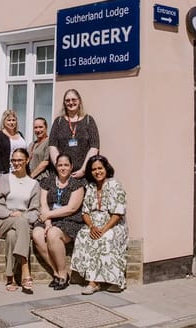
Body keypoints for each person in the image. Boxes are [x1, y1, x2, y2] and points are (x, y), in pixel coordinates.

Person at [70, 155, 128, 294]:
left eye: (100, 168)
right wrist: (92, 227)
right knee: (84, 235)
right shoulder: (90, 187)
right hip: (94, 224)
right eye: (94, 169)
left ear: (106, 168)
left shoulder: (115, 185)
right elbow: (85, 212)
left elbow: (118, 213)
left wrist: (103, 229)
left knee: (105, 238)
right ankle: (90, 280)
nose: (97, 172)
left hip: (113, 224)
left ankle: (112, 280)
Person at [31, 153, 85, 290]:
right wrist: (48, 221)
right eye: (60, 165)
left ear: (71, 166)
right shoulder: (47, 181)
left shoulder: (77, 185)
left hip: (69, 220)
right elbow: (43, 203)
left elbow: (71, 208)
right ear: (56, 166)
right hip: (47, 219)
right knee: (37, 234)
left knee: (53, 234)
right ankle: (58, 273)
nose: (63, 168)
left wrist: (48, 215)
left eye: (66, 165)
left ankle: (62, 274)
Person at [0, 148, 39, 294]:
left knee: (13, 236)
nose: (16, 163)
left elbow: (34, 211)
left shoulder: (34, 184)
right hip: (5, 221)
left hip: (22, 224)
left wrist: (22, 217)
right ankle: (25, 268)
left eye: (20, 160)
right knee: (19, 222)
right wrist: (10, 213)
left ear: (27, 161)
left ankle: (10, 277)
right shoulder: (4, 179)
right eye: (14, 160)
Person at [48, 89, 99, 179]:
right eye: (67, 100)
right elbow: (52, 146)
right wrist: (61, 168)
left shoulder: (88, 120)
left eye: (74, 100)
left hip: (84, 175)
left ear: (79, 101)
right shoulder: (58, 122)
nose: (71, 102)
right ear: (64, 103)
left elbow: (94, 146)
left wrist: (83, 170)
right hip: (61, 176)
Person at [0, 109, 27, 179]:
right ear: (4, 122)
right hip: (5, 173)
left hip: (20, 173)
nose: (11, 122)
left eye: (13, 120)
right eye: (9, 120)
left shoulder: (20, 134)